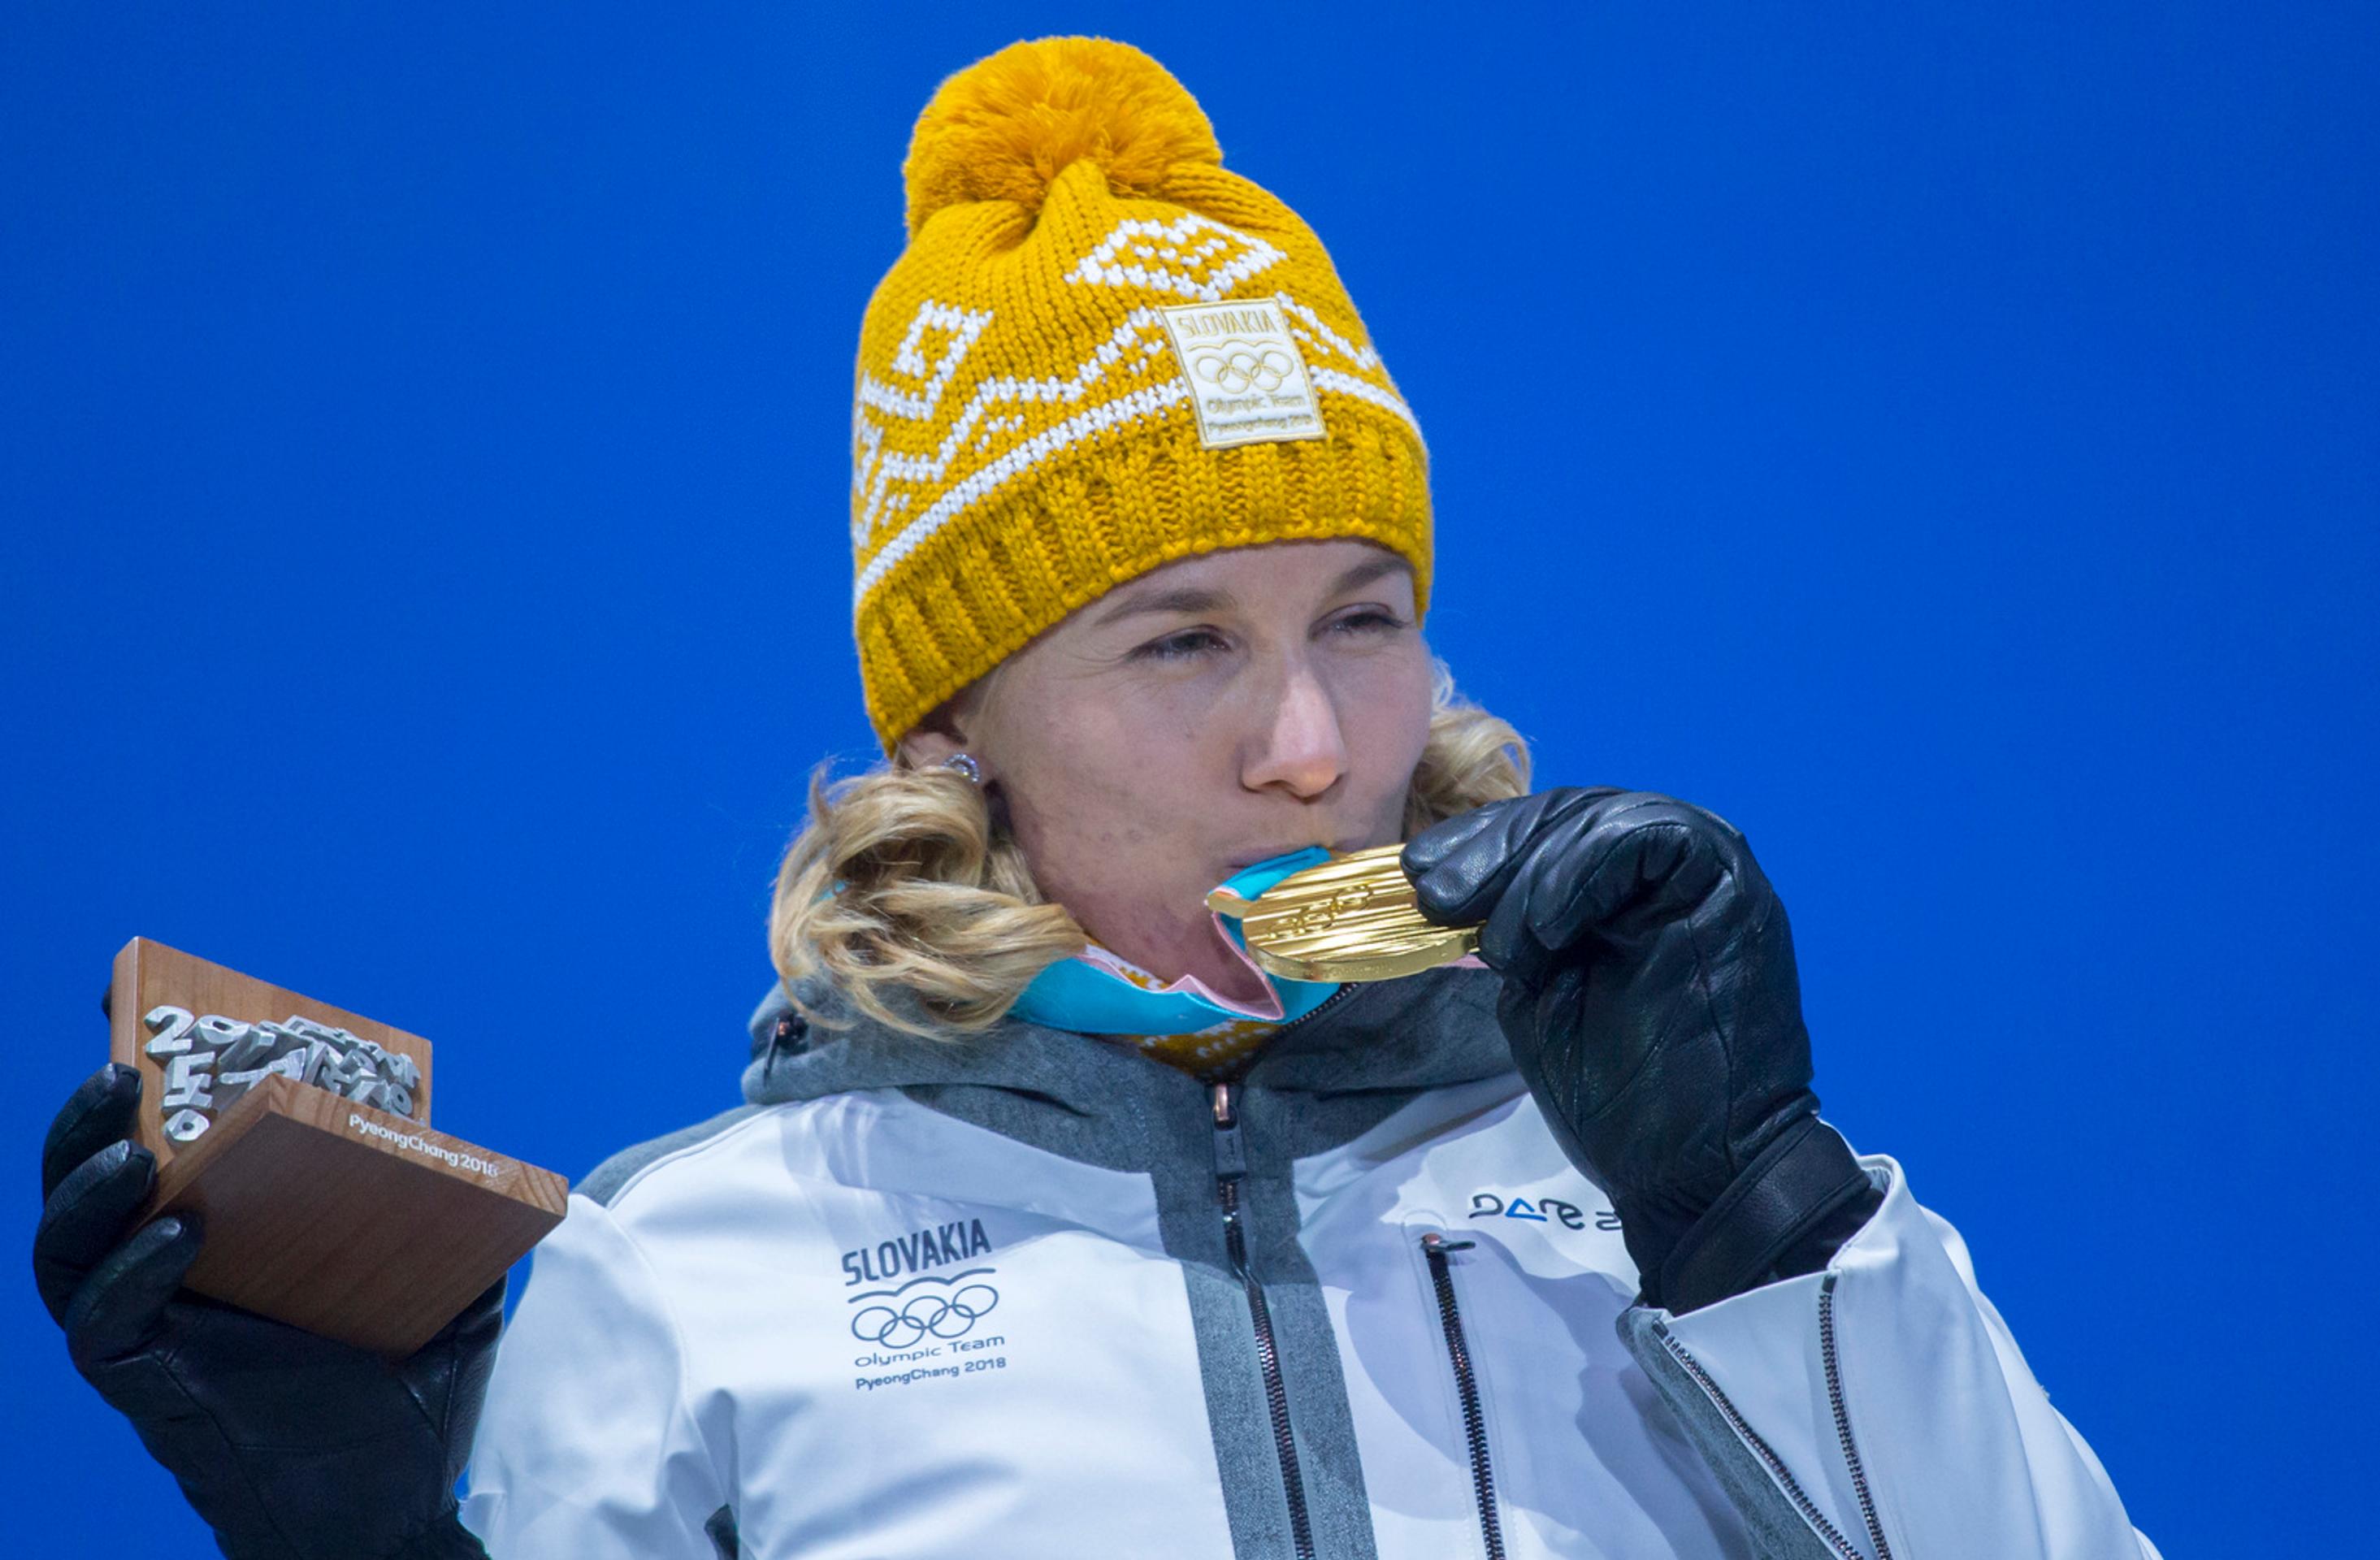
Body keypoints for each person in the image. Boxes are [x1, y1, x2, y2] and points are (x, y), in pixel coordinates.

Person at [34, 37, 2158, 1560]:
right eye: (1178, 644)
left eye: (1364, 616)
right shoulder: (689, 1269)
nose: (1314, 747)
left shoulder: (1661, 1184)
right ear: (953, 727)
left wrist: (1756, 1228)